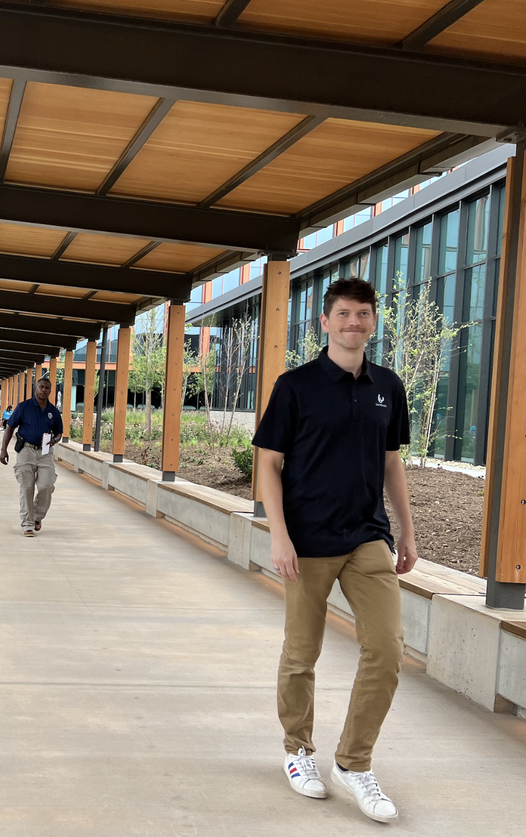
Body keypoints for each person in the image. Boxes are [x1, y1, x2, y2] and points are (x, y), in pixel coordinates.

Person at [252, 277, 417, 824]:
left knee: (387, 651)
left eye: (363, 314)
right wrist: (278, 533)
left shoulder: (388, 387)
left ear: (373, 322)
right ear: (324, 322)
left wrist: (407, 532)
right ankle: (298, 752)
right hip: (306, 542)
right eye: (343, 313)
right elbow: (268, 463)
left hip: (367, 537)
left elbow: (391, 462)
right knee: (303, 653)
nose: (354, 322)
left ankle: (353, 762)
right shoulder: (295, 385)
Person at [0, 377, 62, 537]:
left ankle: (37, 517)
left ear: (50, 390)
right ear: (36, 388)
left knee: (46, 486)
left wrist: (53, 440)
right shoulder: (24, 407)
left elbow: (59, 432)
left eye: (47, 388)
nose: (44, 390)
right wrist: (3, 450)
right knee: (27, 488)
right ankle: (27, 524)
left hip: (45, 452)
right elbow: (10, 427)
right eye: (41, 387)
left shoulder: (53, 411)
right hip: (26, 450)